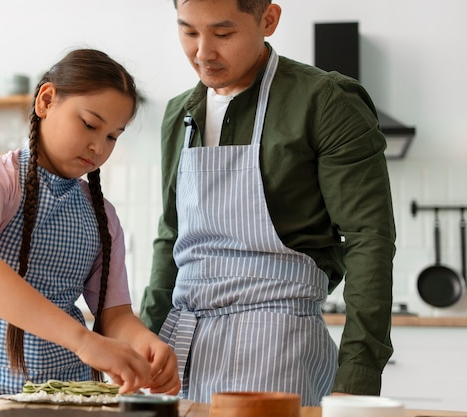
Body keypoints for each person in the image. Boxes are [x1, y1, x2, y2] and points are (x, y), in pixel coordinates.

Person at [139, 0, 396, 406]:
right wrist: (145, 339)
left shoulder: (325, 101)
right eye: (189, 32)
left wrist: (357, 374)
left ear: (268, 20)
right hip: (182, 350)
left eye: (223, 34)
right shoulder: (180, 114)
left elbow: (370, 240)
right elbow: (171, 237)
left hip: (276, 349)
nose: (203, 52)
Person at [0, 48, 180, 396]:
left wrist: (145, 344)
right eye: (90, 124)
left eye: (113, 136)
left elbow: (114, 316)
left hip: (64, 395)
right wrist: (84, 341)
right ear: (46, 101)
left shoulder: (102, 216)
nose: (99, 146)